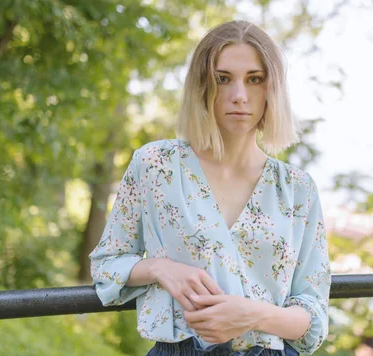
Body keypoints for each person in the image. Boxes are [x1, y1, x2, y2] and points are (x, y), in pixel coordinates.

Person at [89, 20, 331, 356]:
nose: (239, 96)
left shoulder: (297, 189)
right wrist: (160, 268)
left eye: (254, 79)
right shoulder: (156, 165)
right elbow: (107, 264)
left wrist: (255, 315)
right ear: (203, 85)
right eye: (223, 79)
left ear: (271, 88)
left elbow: (313, 314)